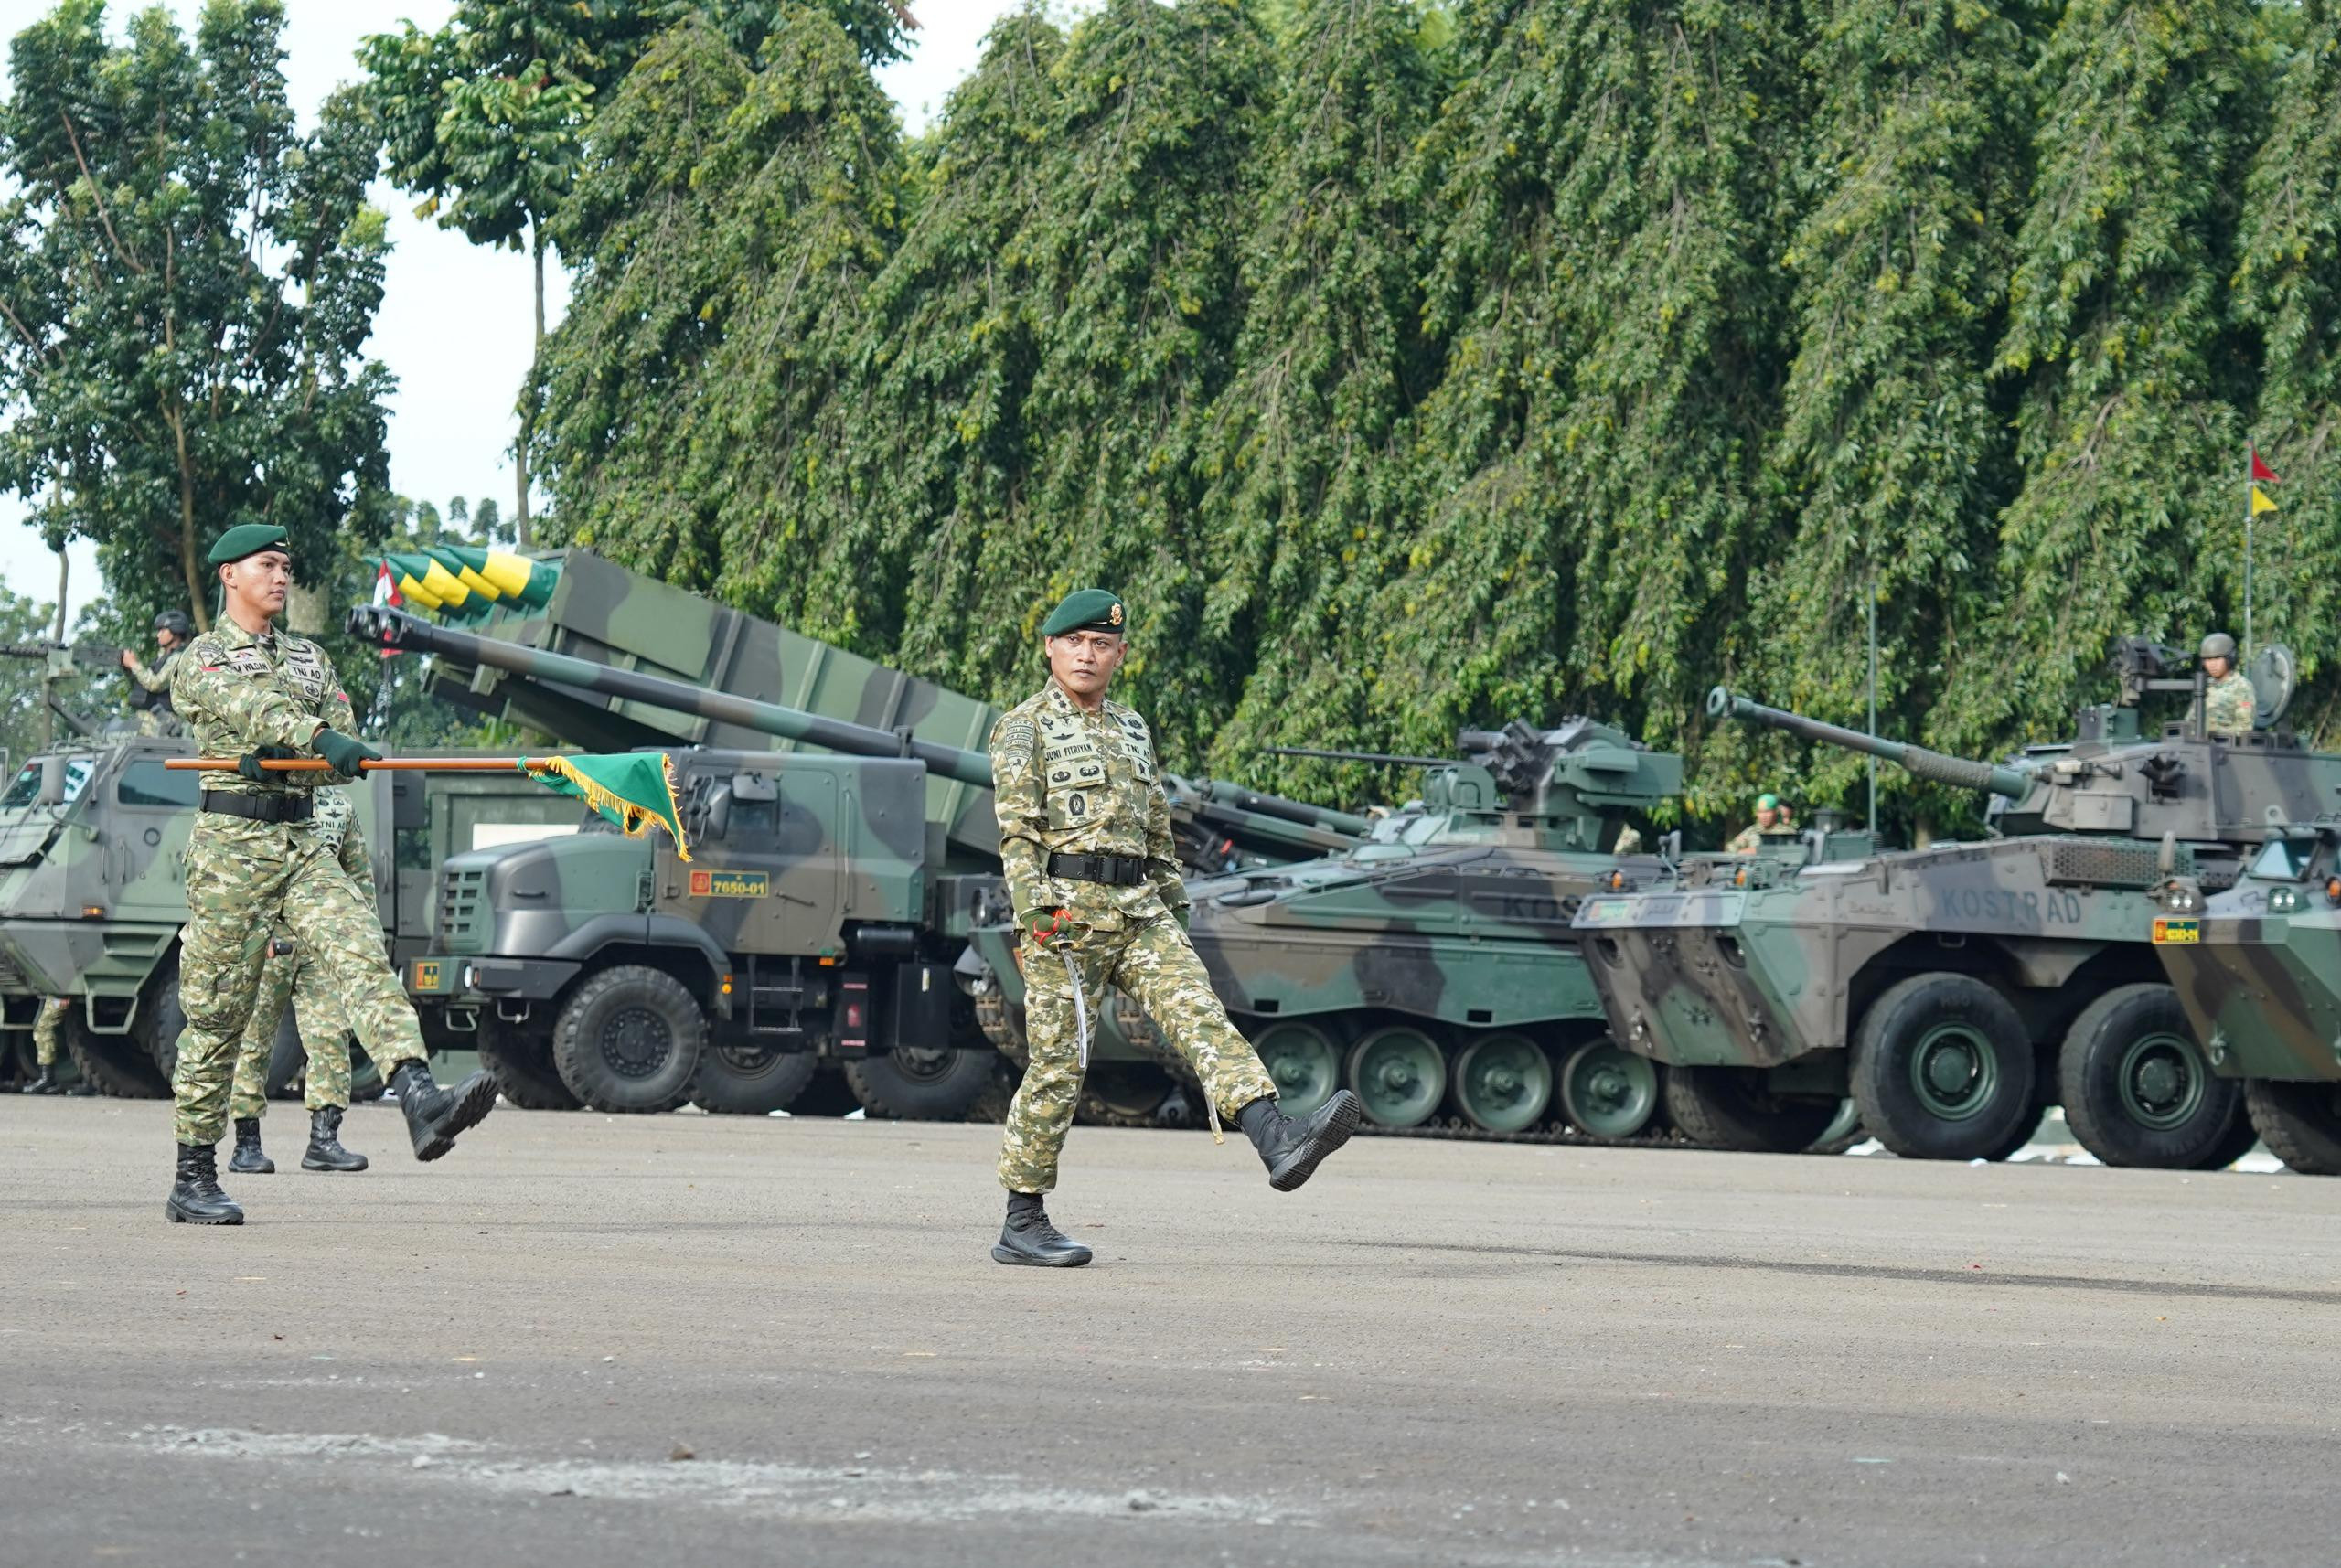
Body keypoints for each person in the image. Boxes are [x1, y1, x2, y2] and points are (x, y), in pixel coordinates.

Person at [985, 588, 1363, 1267]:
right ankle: (1023, 1217)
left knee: (1201, 1017)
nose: (1087, 653)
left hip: (1139, 908)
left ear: (1119, 655)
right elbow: (1017, 833)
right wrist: (1034, 910)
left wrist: (1175, 909)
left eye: (1101, 644)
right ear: (1050, 647)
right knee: (1059, 1066)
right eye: (1075, 641)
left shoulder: (1133, 727)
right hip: (1065, 916)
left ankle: (1276, 1138)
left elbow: (1156, 828)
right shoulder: (1025, 726)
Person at [163, 523, 497, 1225]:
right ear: (229, 574)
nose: (281, 575)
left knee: (359, 952)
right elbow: (253, 709)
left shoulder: (312, 660)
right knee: (218, 1017)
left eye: (287, 565)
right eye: (267, 564)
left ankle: (418, 1097)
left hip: (301, 834)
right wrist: (302, 741)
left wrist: (314, 755)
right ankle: (193, 1173)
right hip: (232, 848)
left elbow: (339, 730)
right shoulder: (202, 658)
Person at [223, 788, 370, 1176]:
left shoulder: (339, 804)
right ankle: (246, 1143)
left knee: (330, 1034)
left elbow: (356, 873)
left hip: (320, 942)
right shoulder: (265, 796)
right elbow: (243, 870)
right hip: (270, 938)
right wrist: (253, 930)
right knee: (254, 1038)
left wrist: (363, 932)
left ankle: (324, 1140)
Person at [121, 610, 193, 736]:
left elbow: (155, 684)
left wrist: (134, 664)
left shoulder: (179, 658)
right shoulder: (162, 658)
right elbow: (144, 683)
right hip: (153, 718)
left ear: (175, 632)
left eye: (162, 630)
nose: (158, 635)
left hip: (167, 721)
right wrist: (128, 668)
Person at [2200, 632, 2255, 737]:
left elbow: (2244, 728)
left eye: (2217, 658)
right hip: (2201, 745)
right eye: (2208, 659)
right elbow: (2192, 720)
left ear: (2230, 659)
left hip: (2228, 748)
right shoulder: (2205, 686)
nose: (2212, 664)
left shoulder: (2242, 687)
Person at [18, 996, 69, 1094]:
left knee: (43, 1028)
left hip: (59, 992)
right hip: (56, 992)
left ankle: (48, 1079)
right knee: (41, 1026)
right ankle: (47, 1079)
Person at [1726, 793, 1790, 855]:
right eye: (1760, 812)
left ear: (1775, 812)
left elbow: (1793, 853)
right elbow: (1731, 848)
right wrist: (1743, 852)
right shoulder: (1751, 831)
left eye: (1767, 812)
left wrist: (1759, 851)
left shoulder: (1786, 832)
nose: (1764, 816)